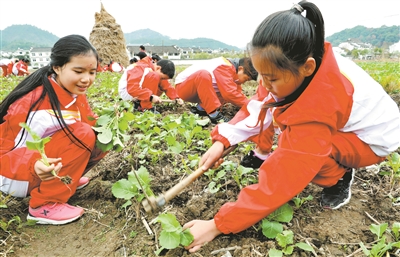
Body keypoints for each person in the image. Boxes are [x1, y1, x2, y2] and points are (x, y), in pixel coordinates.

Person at [182, 1, 400, 253]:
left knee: (297, 151)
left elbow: (283, 178)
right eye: (260, 74)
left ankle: (340, 175)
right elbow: (260, 104)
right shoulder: (293, 63)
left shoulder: (322, 101)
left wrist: (217, 224)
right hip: (344, 122)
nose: (262, 83)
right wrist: (223, 140)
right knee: (284, 130)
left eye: (270, 78)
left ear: (307, 67)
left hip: (370, 141)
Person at [0, 34, 108, 225]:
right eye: (78, 71)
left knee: (103, 137)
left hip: (40, 166)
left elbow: (90, 123)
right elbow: (4, 154)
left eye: (92, 72)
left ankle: (65, 180)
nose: (86, 79)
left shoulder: (73, 92)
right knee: (82, 135)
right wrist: (33, 165)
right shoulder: (33, 105)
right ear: (57, 67)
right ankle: (44, 204)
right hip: (12, 176)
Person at [174, 57, 258, 124]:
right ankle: (214, 114)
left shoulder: (232, 73)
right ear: (240, 69)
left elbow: (237, 93)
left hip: (197, 90)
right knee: (203, 75)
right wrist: (252, 105)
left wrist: (249, 108)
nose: (244, 82)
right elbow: (230, 94)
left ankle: (201, 109)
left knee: (230, 87)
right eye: (246, 79)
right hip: (183, 88)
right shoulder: (225, 66)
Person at [118, 55, 183, 114]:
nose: (162, 80)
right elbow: (132, 89)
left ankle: (142, 103)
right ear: (158, 68)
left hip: (137, 92)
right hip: (127, 93)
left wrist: (176, 97)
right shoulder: (140, 67)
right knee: (155, 76)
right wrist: (150, 97)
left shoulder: (153, 69)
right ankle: (144, 108)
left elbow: (166, 86)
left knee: (157, 78)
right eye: (163, 78)